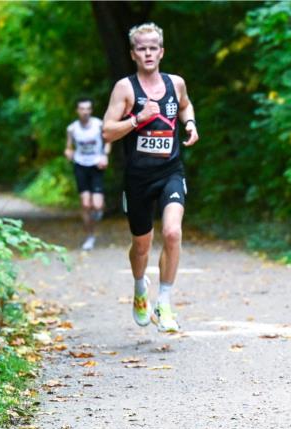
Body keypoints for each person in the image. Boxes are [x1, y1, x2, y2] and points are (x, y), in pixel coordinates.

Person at [101, 22, 199, 332]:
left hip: (170, 171)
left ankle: (165, 303)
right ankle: (140, 289)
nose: (148, 53)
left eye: (153, 47)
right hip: (138, 178)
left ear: (161, 51)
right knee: (141, 245)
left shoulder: (176, 83)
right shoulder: (125, 88)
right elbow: (107, 130)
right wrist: (136, 119)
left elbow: (184, 106)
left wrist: (191, 123)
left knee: (172, 233)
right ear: (133, 53)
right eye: (141, 48)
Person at [65, 98, 111, 251]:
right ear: (77, 111)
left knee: (96, 205)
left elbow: (108, 140)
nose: (85, 112)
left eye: (88, 108)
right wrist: (68, 153)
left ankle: (99, 211)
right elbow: (68, 147)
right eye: (82, 109)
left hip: (96, 165)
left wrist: (105, 155)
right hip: (80, 165)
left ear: (91, 110)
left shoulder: (99, 125)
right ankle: (90, 236)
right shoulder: (72, 128)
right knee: (85, 204)